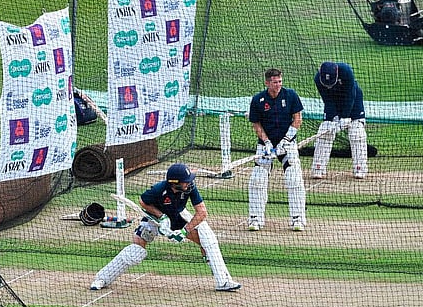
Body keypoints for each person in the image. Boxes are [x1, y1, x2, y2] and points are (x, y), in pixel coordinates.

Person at [90, 163, 241, 292]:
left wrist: (184, 231)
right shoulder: (158, 189)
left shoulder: (190, 187)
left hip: (178, 216)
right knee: (137, 250)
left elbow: (202, 213)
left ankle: (224, 282)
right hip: (155, 219)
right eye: (185, 182)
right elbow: (143, 202)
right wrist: (161, 217)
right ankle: (102, 279)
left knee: (208, 240)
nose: (189, 183)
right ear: (174, 182)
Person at [247, 68, 306, 232]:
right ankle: (255, 219)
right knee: (257, 180)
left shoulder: (290, 95)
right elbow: (256, 124)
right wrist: (266, 142)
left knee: (294, 179)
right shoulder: (258, 100)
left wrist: (287, 139)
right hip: (266, 146)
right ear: (267, 83)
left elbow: (297, 118)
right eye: (275, 82)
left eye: (280, 81)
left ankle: (298, 219)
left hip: (287, 144)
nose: (278, 84)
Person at [311, 61, 368, 179]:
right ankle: (318, 167)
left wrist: (345, 117)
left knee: (357, 133)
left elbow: (350, 95)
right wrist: (334, 118)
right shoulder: (318, 79)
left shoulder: (346, 71)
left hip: (353, 102)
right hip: (334, 103)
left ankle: (360, 168)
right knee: (325, 132)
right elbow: (328, 100)